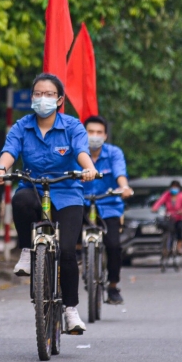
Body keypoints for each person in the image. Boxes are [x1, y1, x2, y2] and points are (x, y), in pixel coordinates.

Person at [0, 74, 98, 334]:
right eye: (37, 93)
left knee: (69, 252)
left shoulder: (72, 126)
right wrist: (0, 168)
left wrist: (89, 168)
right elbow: (10, 151)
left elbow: (81, 151)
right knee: (20, 199)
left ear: (59, 100)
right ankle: (27, 251)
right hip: (34, 188)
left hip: (68, 191)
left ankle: (71, 310)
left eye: (48, 94)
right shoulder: (21, 126)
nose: (42, 98)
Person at [81, 116, 134, 305]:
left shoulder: (114, 153)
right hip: (81, 204)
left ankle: (112, 286)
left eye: (98, 132)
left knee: (114, 246)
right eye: (90, 132)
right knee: (67, 242)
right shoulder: (76, 153)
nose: (94, 136)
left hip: (109, 205)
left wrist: (124, 188)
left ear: (105, 135)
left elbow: (120, 174)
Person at [151, 180, 182, 254]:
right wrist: (154, 208)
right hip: (169, 217)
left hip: (178, 217)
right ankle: (165, 247)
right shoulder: (167, 194)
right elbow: (160, 201)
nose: (174, 189)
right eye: (173, 187)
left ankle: (179, 247)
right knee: (166, 229)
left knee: (179, 230)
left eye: (176, 187)